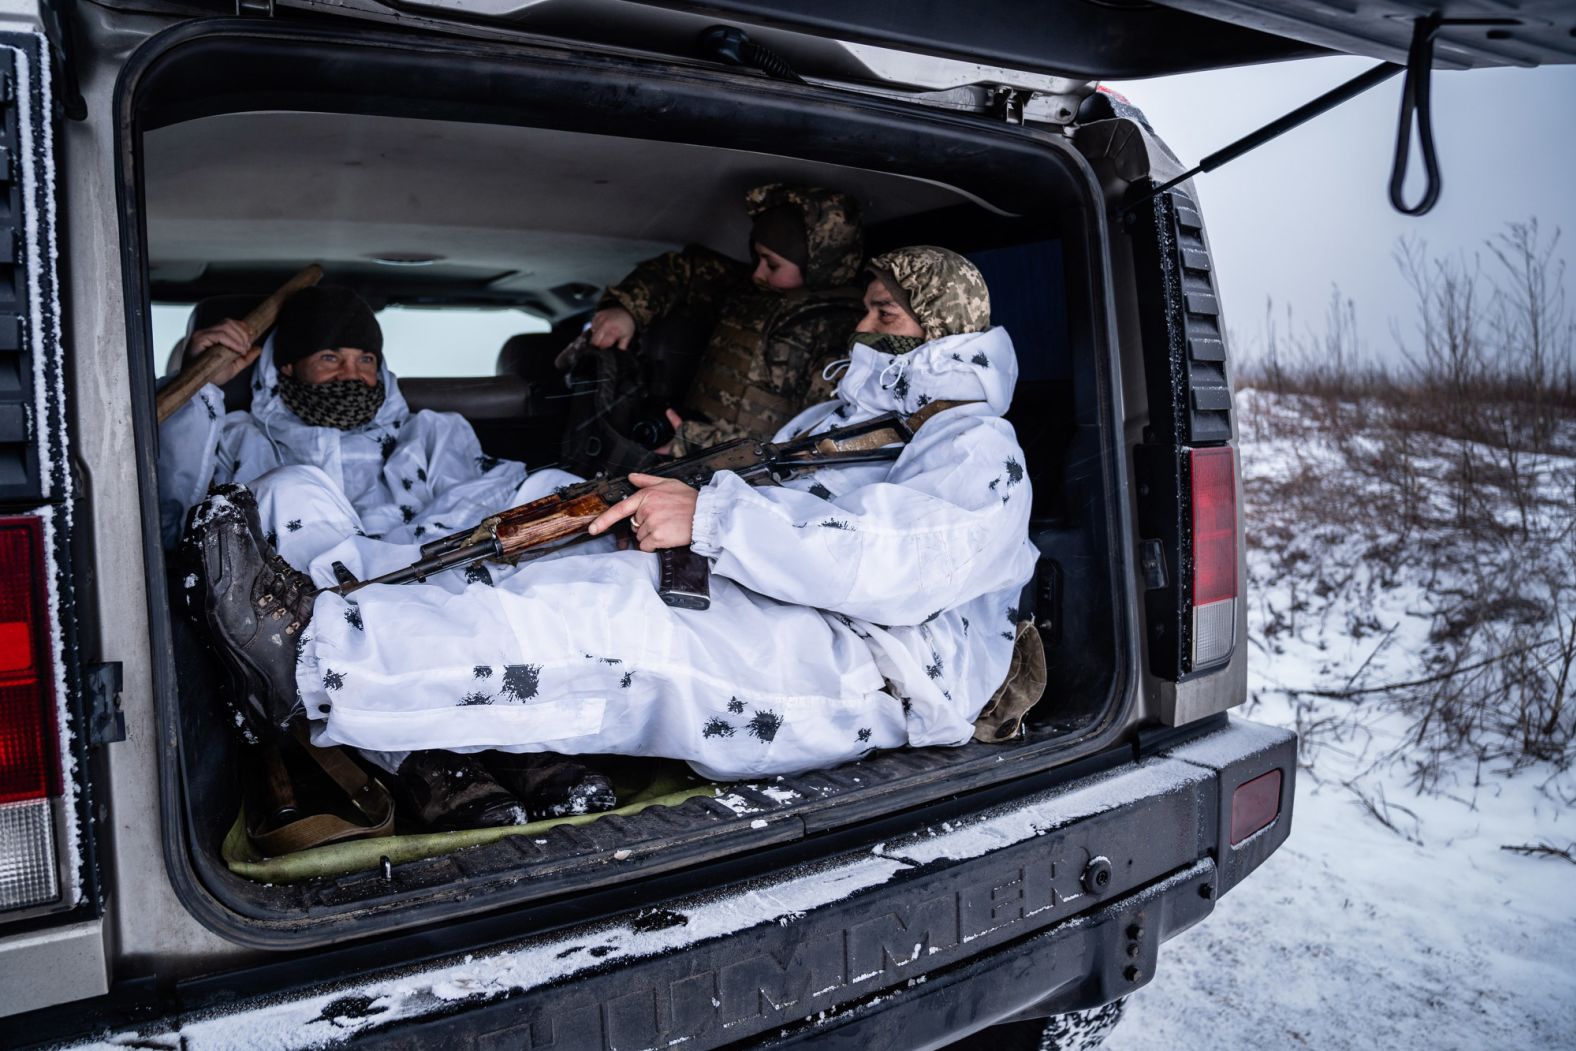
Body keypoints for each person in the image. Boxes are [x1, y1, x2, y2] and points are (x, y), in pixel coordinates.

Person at [187, 247, 1037, 785]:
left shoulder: (974, 447)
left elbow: (898, 559)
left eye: (883, 313)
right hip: (788, 592)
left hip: (886, 657)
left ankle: (311, 662)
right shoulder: (847, 421)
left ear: (943, 335)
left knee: (606, 623)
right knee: (574, 557)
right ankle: (341, 617)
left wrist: (712, 521)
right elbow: (792, 496)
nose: (859, 327)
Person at [161, 285, 614, 829]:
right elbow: (170, 513)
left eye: (365, 359)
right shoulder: (239, 436)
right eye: (329, 358)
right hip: (317, 605)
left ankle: (524, 745)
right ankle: (428, 763)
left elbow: (490, 489)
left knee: (548, 499)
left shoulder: (429, 434)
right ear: (286, 368)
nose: (351, 373)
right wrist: (198, 387)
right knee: (287, 489)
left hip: (433, 579)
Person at [587, 183, 866, 457]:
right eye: (757, 258)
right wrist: (626, 310)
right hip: (687, 459)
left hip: (746, 485)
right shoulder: (750, 293)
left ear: (817, 263)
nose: (758, 274)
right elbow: (683, 272)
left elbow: (812, 445)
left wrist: (692, 441)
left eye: (772, 264)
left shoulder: (839, 332)